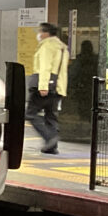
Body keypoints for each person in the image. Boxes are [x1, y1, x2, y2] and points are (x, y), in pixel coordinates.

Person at [27, 22, 68, 154]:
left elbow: (45, 67)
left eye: (40, 32)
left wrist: (43, 86)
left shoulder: (47, 46)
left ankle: (50, 137)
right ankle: (52, 147)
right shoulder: (62, 47)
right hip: (58, 87)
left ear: (45, 33)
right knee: (51, 116)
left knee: (30, 114)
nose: (38, 34)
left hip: (45, 86)